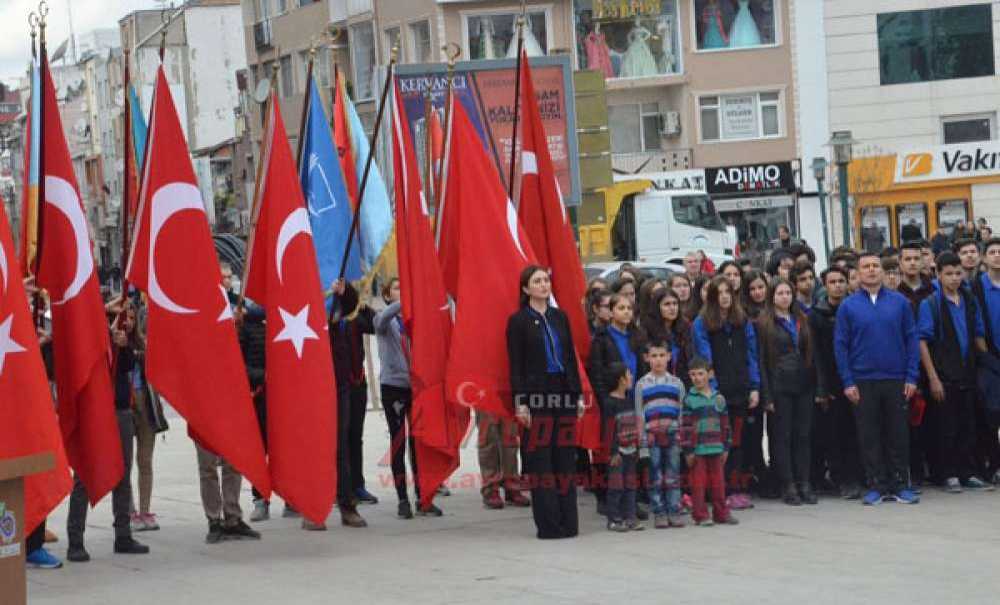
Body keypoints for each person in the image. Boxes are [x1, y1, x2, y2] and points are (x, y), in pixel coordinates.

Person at [834, 251, 921, 506]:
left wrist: (912, 376)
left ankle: (899, 484)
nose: (871, 270)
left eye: (875, 266)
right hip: (862, 381)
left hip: (896, 378)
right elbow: (841, 346)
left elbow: (912, 340)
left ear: (883, 271)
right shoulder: (848, 306)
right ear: (858, 274)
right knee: (869, 435)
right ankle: (876, 484)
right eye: (866, 267)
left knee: (897, 434)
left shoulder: (900, 302)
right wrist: (847, 381)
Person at [66, 303, 150, 562]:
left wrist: (121, 346)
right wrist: (105, 336)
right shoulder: (90, 336)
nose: (120, 323)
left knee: (123, 474)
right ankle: (75, 540)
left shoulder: (125, 341)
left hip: (122, 411)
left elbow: (126, 368)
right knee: (84, 476)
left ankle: (122, 534)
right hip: (95, 413)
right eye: (113, 318)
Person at [508, 267, 581, 539]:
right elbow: (515, 365)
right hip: (537, 394)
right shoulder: (518, 322)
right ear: (525, 289)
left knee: (565, 458)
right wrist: (521, 402)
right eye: (537, 281)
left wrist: (578, 394)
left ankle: (568, 522)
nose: (543, 285)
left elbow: (570, 358)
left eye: (546, 280)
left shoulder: (559, 317)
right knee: (541, 461)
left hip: (563, 390)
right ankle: (549, 525)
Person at [375, 278, 454, 518]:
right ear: (388, 296)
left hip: (417, 388)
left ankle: (424, 495)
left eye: (404, 286)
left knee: (419, 443)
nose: (402, 291)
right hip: (394, 388)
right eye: (397, 289)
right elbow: (382, 320)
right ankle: (402, 499)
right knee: (399, 443)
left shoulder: (417, 319)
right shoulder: (384, 319)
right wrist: (407, 300)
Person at [916, 252, 993, 492]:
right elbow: (922, 342)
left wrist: (986, 365)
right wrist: (933, 378)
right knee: (945, 427)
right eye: (948, 274)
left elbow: (979, 334)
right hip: (943, 375)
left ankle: (967, 472)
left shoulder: (969, 300)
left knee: (967, 426)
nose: (954, 278)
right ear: (938, 275)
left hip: (968, 373)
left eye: (958, 273)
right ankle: (947, 474)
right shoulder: (930, 304)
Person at [691, 276, 760, 510]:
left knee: (737, 441)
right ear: (711, 296)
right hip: (718, 394)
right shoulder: (702, 323)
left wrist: (754, 386)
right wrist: (713, 389)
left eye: (728, 291)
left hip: (741, 391)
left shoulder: (743, 321)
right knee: (716, 443)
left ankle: (735, 488)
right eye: (719, 292)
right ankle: (718, 490)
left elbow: (751, 355)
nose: (724, 296)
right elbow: (705, 358)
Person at [758, 279, 816, 506]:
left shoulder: (801, 319)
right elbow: (762, 360)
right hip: (779, 386)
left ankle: (804, 482)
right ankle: (788, 484)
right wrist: (767, 395)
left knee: (803, 436)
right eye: (780, 293)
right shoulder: (765, 323)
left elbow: (811, 353)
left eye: (788, 293)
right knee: (782, 437)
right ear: (772, 296)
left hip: (803, 384)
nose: (785, 297)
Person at [589, 293, 646, 518]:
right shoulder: (601, 339)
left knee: (633, 452)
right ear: (611, 312)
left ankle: (631, 502)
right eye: (621, 308)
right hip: (613, 401)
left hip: (633, 398)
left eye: (629, 308)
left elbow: (640, 367)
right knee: (613, 453)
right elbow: (597, 372)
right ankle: (607, 500)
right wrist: (605, 400)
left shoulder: (636, 337)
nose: (626, 312)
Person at [810, 267, 863, 499]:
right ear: (824, 285)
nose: (838, 285)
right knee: (835, 434)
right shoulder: (817, 314)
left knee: (857, 432)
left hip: (857, 377)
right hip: (832, 382)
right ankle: (842, 479)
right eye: (833, 281)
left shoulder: (855, 307)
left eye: (842, 280)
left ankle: (859, 477)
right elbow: (817, 355)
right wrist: (822, 387)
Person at [326, 278, 375, 527]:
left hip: (348, 384)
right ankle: (309, 502)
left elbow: (370, 323)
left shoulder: (350, 314)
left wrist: (350, 295)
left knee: (347, 442)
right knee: (325, 445)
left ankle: (348, 500)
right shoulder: (321, 314)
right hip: (320, 384)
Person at [681, 357, 737, 526]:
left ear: (709, 374)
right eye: (693, 374)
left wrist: (726, 447)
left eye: (700, 374)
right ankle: (701, 515)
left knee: (719, 483)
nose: (697, 378)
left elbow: (725, 425)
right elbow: (686, 427)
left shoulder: (718, 398)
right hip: (698, 451)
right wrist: (688, 451)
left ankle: (721, 513)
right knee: (698, 485)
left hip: (716, 448)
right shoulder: (689, 399)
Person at [636, 339, 686, 528]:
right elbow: (639, 413)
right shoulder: (642, 384)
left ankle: (674, 510)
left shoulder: (677, 383)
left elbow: (682, 411)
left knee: (673, 473)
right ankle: (659, 512)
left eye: (662, 355)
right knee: (655, 475)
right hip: (652, 436)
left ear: (669, 357)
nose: (658, 360)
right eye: (654, 356)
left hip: (673, 435)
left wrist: (682, 435)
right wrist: (642, 445)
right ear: (647, 358)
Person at [967, 237, 1000, 484]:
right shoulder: (976, 288)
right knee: (991, 414)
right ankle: (993, 464)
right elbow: (977, 329)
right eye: (992, 252)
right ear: (984, 258)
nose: (997, 256)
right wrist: (987, 356)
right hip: (990, 359)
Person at [641, 289, 690, 386]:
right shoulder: (647, 330)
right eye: (667, 304)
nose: (672, 308)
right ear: (657, 307)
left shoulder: (684, 327)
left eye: (675, 304)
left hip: (682, 383)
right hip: (655, 385)